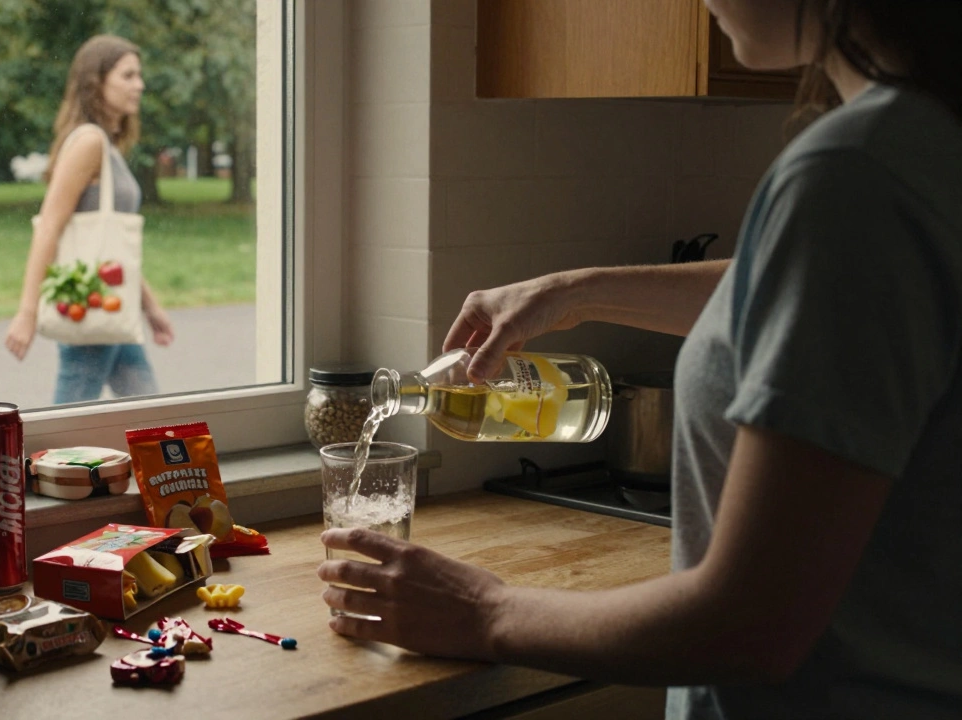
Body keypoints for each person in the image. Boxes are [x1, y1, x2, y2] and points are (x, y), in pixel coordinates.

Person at [318, 1, 962, 718]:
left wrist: (484, 611)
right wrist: (576, 292)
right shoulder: (924, 143)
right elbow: (805, 286)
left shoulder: (856, 174)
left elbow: (751, 625)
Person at [5, 34, 174, 403]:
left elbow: (111, 247)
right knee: (71, 423)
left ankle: (168, 463)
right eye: (128, 76)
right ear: (96, 81)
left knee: (148, 410)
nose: (139, 85)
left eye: (139, 75)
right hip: (92, 309)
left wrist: (149, 305)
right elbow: (49, 224)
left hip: (109, 306)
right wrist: (27, 312)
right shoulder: (89, 143)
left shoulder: (107, 146)